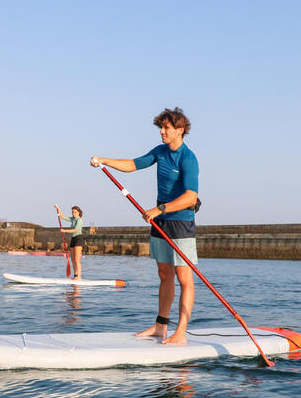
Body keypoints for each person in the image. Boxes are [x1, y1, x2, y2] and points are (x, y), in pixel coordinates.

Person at [90, 107, 199, 345]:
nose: (161, 132)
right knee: (164, 275)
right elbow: (133, 164)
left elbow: (191, 196)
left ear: (180, 130)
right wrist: (104, 160)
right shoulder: (160, 151)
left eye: (166, 128)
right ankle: (161, 327)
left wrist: (160, 209)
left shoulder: (188, 158)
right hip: (161, 222)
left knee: (184, 278)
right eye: (161, 127)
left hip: (181, 222)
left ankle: (181, 332)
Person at [54, 204, 84, 279]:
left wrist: (64, 231)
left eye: (75, 212)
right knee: (73, 259)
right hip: (73, 239)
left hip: (78, 239)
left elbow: (75, 230)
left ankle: (79, 277)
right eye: (73, 212)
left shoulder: (79, 220)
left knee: (77, 259)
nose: (73, 213)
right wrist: (58, 208)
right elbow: (62, 216)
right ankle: (75, 276)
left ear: (79, 212)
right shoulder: (73, 219)